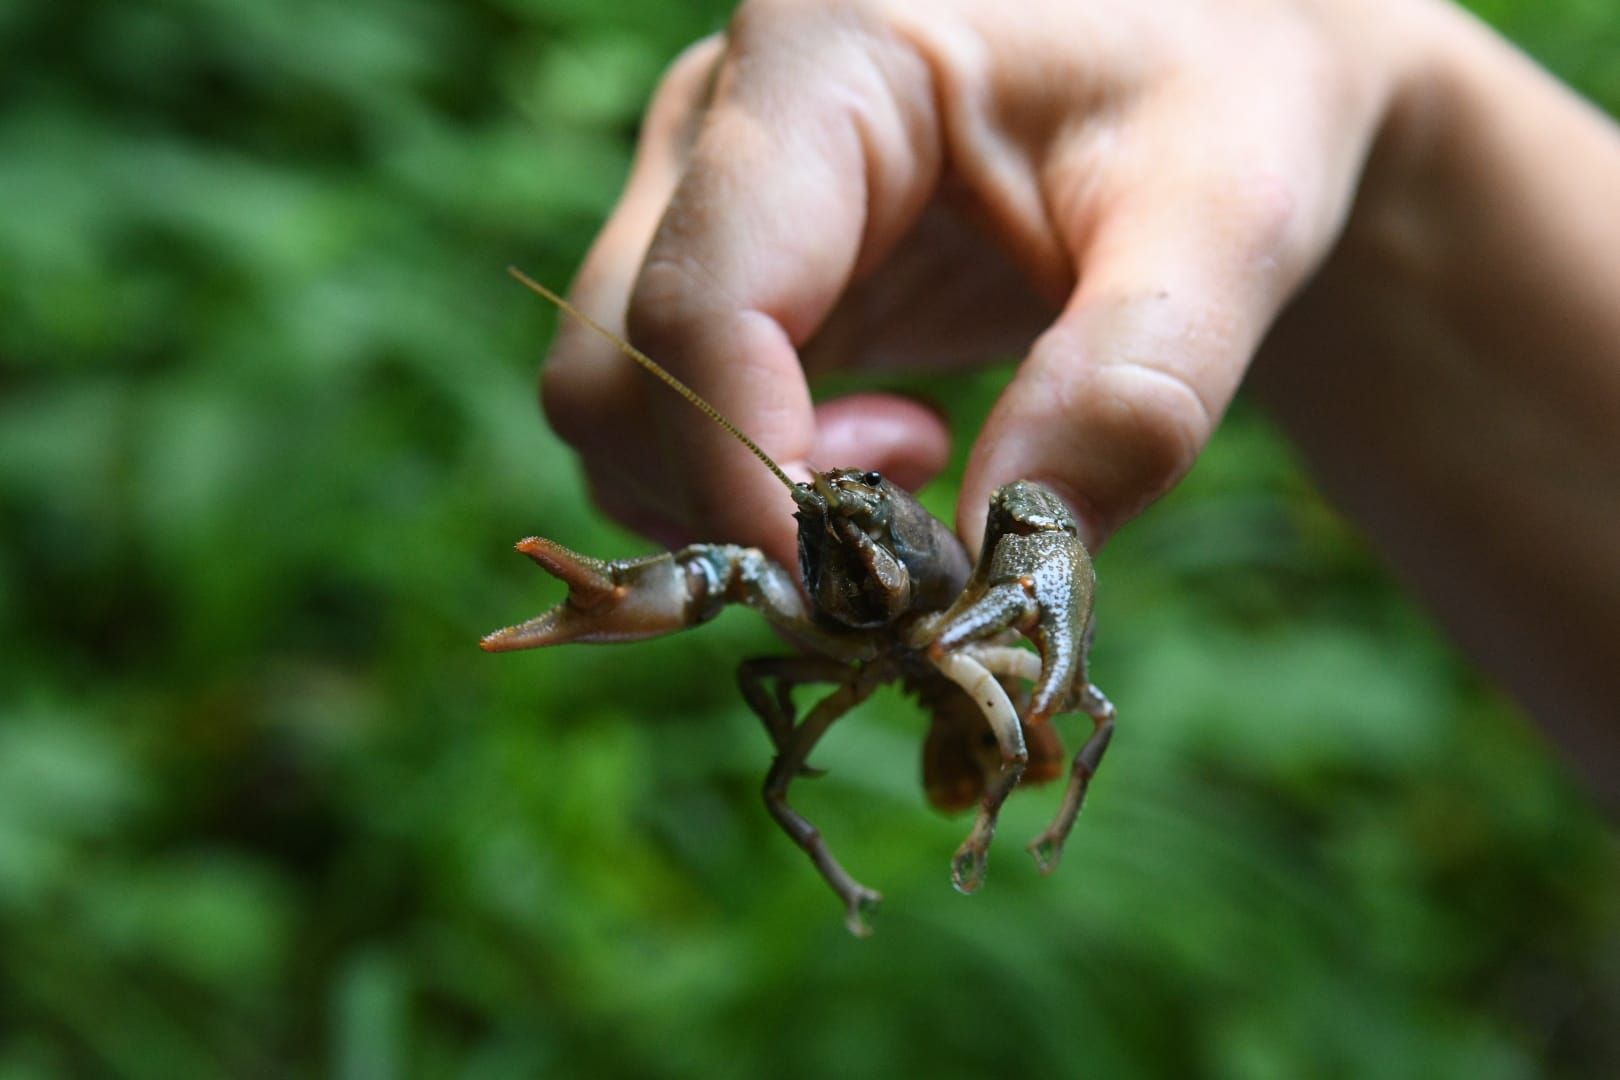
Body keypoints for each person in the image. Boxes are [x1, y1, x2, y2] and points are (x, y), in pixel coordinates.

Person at [537, 0, 1620, 793]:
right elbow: (755, 627)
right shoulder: (809, 564)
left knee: (1065, 685)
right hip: (901, 660)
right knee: (744, 581)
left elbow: (1031, 554)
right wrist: (1352, 59)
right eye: (832, 511)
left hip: (977, 640)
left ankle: (1027, 804)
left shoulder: (947, 580)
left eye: (855, 501)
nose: (840, 516)